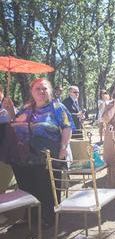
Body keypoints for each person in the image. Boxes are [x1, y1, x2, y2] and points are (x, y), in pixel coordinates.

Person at [10, 79, 73, 226]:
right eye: (37, 89)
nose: (41, 91)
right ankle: (31, 216)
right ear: (32, 92)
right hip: (24, 156)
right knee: (27, 186)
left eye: (44, 88)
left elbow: (67, 126)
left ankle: (49, 218)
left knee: (46, 187)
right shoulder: (27, 108)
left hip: (48, 156)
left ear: (50, 91)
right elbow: (16, 122)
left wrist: (64, 147)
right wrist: (10, 109)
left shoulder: (57, 107)